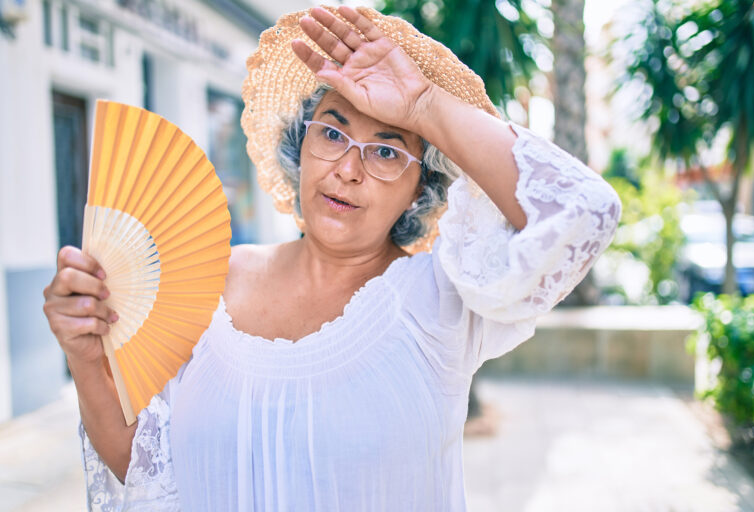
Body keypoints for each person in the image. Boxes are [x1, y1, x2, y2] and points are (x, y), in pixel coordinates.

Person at [42, 6, 621, 511]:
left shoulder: (441, 300)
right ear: (302, 143)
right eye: (333, 133)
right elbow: (148, 474)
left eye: (388, 151)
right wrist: (87, 357)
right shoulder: (208, 280)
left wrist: (422, 104)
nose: (348, 168)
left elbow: (584, 210)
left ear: (422, 190)